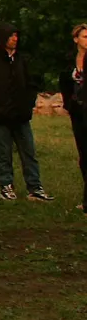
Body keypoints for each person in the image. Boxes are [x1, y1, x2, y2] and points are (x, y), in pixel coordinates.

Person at [0, 25, 51, 202]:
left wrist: (27, 104)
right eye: (11, 36)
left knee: (28, 151)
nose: (15, 39)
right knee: (3, 153)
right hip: (0, 116)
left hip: (21, 116)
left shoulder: (22, 59)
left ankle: (35, 186)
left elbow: (31, 83)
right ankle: (6, 185)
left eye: (16, 35)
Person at [64, 24, 87, 213]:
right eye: (85, 36)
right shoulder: (69, 61)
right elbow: (64, 82)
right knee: (83, 154)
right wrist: (68, 105)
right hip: (77, 112)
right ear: (76, 39)